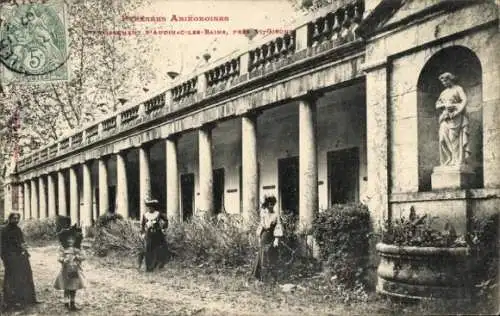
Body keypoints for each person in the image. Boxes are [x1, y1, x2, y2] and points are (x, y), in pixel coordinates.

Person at [0, 212, 39, 310]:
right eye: (14, 218)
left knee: (27, 275)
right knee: (12, 279)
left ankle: (28, 299)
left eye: (18, 218)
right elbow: (3, 247)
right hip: (10, 258)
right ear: (10, 218)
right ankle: (10, 302)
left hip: (21, 256)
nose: (16, 220)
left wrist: (24, 248)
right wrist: (5, 259)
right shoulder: (4, 230)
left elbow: (21, 241)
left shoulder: (18, 229)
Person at [435, 72, 470, 166]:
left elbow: (464, 100)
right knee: (442, 139)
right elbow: (437, 105)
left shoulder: (458, 89)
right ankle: (449, 158)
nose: (444, 84)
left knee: (453, 138)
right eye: (443, 83)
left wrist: (457, 110)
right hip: (445, 116)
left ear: (450, 79)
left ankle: (456, 160)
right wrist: (444, 105)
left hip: (455, 116)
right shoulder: (444, 92)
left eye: (445, 81)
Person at [252, 196, 284, 282]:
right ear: (267, 205)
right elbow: (261, 226)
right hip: (264, 236)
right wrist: (259, 237)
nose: (271, 206)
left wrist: (277, 239)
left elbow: (278, 226)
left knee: (271, 255)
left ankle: (272, 278)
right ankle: (260, 278)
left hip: (272, 236)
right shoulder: (264, 214)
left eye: (273, 204)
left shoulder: (276, 215)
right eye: (270, 204)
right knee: (262, 255)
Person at [54, 224, 85, 311]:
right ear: (65, 239)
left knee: (73, 286)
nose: (70, 240)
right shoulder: (63, 248)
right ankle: (66, 302)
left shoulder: (77, 248)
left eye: (72, 239)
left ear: (76, 239)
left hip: (74, 270)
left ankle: (72, 302)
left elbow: (84, 256)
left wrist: (77, 257)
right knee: (66, 286)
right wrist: (63, 260)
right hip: (65, 270)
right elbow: (59, 257)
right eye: (68, 239)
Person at [140, 199, 169, 272]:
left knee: (159, 249)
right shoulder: (145, 215)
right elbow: (143, 225)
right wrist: (143, 233)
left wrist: (163, 227)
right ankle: (149, 267)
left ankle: (158, 266)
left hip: (158, 234)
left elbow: (166, 220)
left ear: (154, 207)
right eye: (149, 207)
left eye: (151, 207)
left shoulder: (158, 214)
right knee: (148, 250)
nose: (150, 208)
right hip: (149, 234)